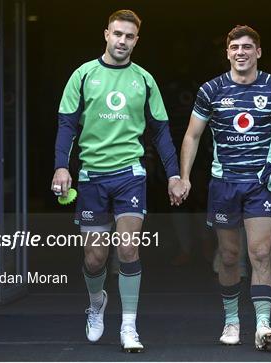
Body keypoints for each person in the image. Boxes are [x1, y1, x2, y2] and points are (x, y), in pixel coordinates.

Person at [51, 9, 181, 352]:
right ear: (106, 34)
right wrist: (61, 167)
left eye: (129, 36)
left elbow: (161, 132)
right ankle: (96, 305)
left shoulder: (144, 80)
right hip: (92, 176)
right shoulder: (83, 75)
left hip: (130, 174)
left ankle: (128, 326)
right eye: (117, 34)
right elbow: (67, 125)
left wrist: (174, 175)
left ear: (137, 40)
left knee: (127, 247)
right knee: (95, 256)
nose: (122, 41)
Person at [173, 25, 271, 350]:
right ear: (228, 53)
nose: (241, 52)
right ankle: (232, 321)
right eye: (235, 48)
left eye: (247, 47)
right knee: (229, 257)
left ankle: (263, 325)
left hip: (261, 184)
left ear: (258, 52)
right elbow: (192, 135)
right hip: (224, 185)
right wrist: (184, 177)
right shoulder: (211, 90)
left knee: (260, 253)